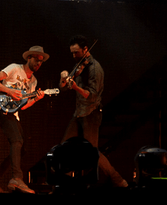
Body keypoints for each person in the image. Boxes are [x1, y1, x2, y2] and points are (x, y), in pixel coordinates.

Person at [59, 35, 128, 187]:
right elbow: (63, 88)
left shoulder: (95, 68)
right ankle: (62, 183)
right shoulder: (78, 65)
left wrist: (76, 87)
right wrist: (64, 79)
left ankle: (118, 180)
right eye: (72, 53)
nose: (74, 56)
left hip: (91, 113)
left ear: (85, 50)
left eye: (76, 52)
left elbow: (92, 96)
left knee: (92, 152)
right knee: (64, 147)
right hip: (79, 113)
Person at [0, 46, 48, 194]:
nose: (39, 63)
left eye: (41, 61)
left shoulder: (33, 81)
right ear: (29, 58)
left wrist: (36, 99)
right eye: (37, 60)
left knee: (21, 149)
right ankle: (16, 178)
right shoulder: (14, 68)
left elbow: (23, 106)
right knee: (17, 141)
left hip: (13, 113)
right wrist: (9, 91)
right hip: (1, 109)